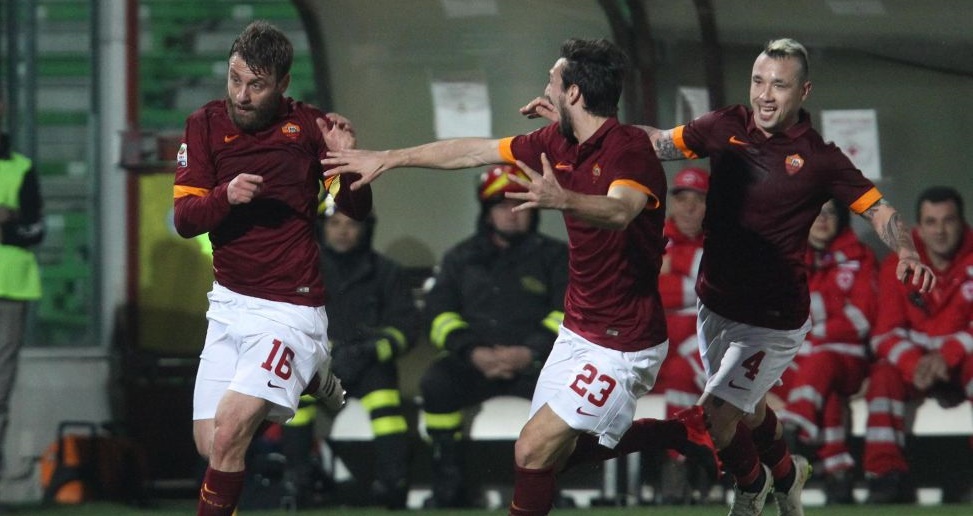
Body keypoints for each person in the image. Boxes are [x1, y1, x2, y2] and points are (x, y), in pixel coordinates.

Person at [520, 37, 936, 515]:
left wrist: (907, 250)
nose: (765, 94)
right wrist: (577, 121)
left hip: (772, 319)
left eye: (779, 85)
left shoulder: (820, 158)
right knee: (748, 410)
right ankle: (788, 475)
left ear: (803, 91)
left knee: (717, 416)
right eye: (758, 81)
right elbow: (655, 141)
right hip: (716, 303)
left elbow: (878, 209)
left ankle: (751, 491)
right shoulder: (725, 125)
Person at [323, 37, 722, 516]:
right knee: (546, 459)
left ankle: (681, 433)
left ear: (573, 92)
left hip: (624, 342)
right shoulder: (557, 143)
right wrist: (389, 157)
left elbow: (620, 210)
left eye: (552, 81)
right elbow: (473, 152)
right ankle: (679, 432)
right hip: (577, 334)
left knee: (531, 449)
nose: (545, 89)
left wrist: (563, 200)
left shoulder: (629, 150)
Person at [172, 21, 371, 516]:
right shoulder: (203, 124)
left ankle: (305, 358)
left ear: (282, 83)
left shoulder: (310, 127)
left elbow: (356, 210)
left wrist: (349, 163)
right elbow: (185, 219)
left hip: (290, 310)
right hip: (228, 304)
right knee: (210, 443)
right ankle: (309, 376)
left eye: (256, 85)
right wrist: (225, 195)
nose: (241, 95)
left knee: (230, 433)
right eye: (235, 79)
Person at [419, 164, 568, 508]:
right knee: (436, 383)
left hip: (537, 364)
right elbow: (438, 317)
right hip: (475, 363)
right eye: (502, 206)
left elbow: (568, 314)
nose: (511, 214)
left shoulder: (556, 257)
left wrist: (530, 352)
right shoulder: (460, 258)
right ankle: (448, 483)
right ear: (487, 213)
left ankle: (549, 489)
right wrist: (473, 352)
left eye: (520, 206)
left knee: (567, 391)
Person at [863, 186, 973, 504]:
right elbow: (885, 334)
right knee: (883, 377)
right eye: (931, 222)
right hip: (917, 368)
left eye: (948, 220)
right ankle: (886, 477)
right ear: (919, 228)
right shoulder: (897, 265)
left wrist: (947, 356)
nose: (940, 231)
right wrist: (914, 364)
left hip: (963, 362)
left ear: (962, 223)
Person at [317, 203, 419, 509]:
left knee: (385, 398)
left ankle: (393, 485)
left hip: (371, 367)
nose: (343, 231)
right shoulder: (305, 270)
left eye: (351, 224)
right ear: (322, 228)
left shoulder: (388, 272)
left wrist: (370, 350)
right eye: (334, 223)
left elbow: (406, 329)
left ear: (366, 229)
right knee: (297, 399)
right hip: (320, 366)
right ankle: (297, 482)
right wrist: (330, 352)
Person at [775, 199, 877, 505]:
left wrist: (815, 327)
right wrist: (832, 311)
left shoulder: (861, 257)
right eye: (815, 211)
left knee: (822, 360)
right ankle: (838, 474)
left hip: (847, 359)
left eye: (830, 212)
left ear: (841, 217)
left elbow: (862, 318)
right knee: (826, 391)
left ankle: (794, 426)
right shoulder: (786, 258)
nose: (822, 219)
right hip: (802, 364)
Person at [651, 167, 711, 504]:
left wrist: (675, 269)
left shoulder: (721, 242)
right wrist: (696, 285)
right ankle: (701, 464)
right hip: (657, 360)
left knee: (682, 372)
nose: (688, 207)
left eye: (698, 200)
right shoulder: (653, 236)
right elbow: (647, 292)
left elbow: (724, 294)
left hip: (697, 363)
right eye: (682, 199)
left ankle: (678, 463)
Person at [0, 96, 44, 480]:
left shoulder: (21, 168)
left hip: (12, 287)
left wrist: (10, 224)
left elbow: (36, 228)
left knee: (1, 387)